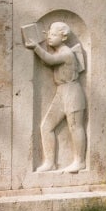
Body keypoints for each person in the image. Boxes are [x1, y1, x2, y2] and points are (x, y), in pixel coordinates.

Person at [26, 22, 87, 173]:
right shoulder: (60, 51)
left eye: (54, 35)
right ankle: (50, 162)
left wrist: (36, 47)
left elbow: (50, 60)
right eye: (49, 34)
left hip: (72, 92)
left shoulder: (66, 53)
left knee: (75, 127)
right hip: (62, 91)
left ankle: (80, 161)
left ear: (64, 37)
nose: (49, 38)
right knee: (46, 126)